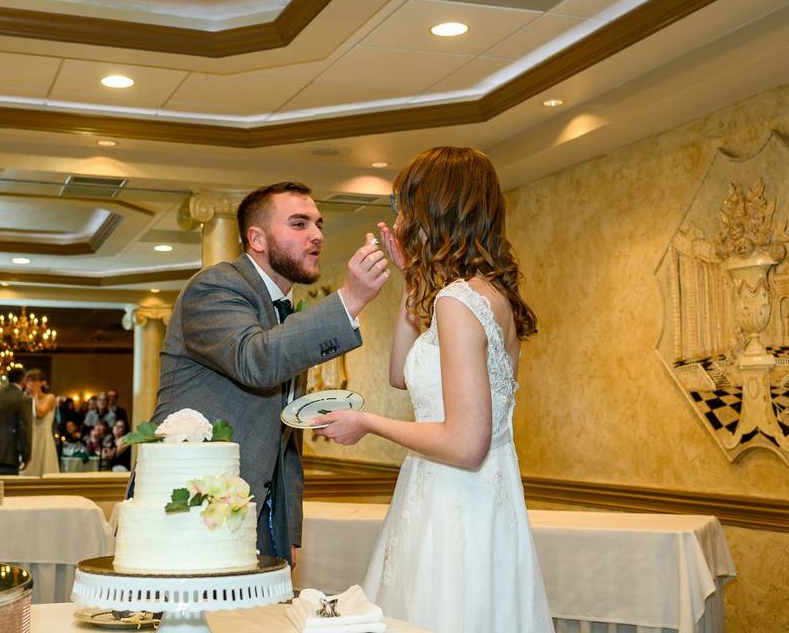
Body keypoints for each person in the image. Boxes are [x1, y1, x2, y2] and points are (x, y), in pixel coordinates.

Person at [313, 147, 553, 632]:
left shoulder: (458, 301)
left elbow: (466, 444)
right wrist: (411, 280)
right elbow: (401, 374)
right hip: (460, 497)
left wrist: (366, 423)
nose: (398, 221)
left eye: (405, 206)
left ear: (435, 210)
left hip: (456, 506)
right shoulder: (483, 293)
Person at [131, 180, 389, 567]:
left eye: (319, 224)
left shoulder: (285, 310)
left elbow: (285, 441)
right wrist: (350, 300)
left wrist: (288, 529)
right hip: (191, 511)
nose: (317, 235)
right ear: (257, 238)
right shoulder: (215, 286)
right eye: (299, 224)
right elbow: (255, 361)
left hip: (261, 514)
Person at [21, 369, 60, 476]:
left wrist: (35, 394)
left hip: (44, 438)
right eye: (28, 381)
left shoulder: (50, 397)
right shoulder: (24, 398)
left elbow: (40, 413)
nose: (30, 384)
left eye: (33, 381)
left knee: (44, 470)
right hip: (29, 437)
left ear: (43, 382)